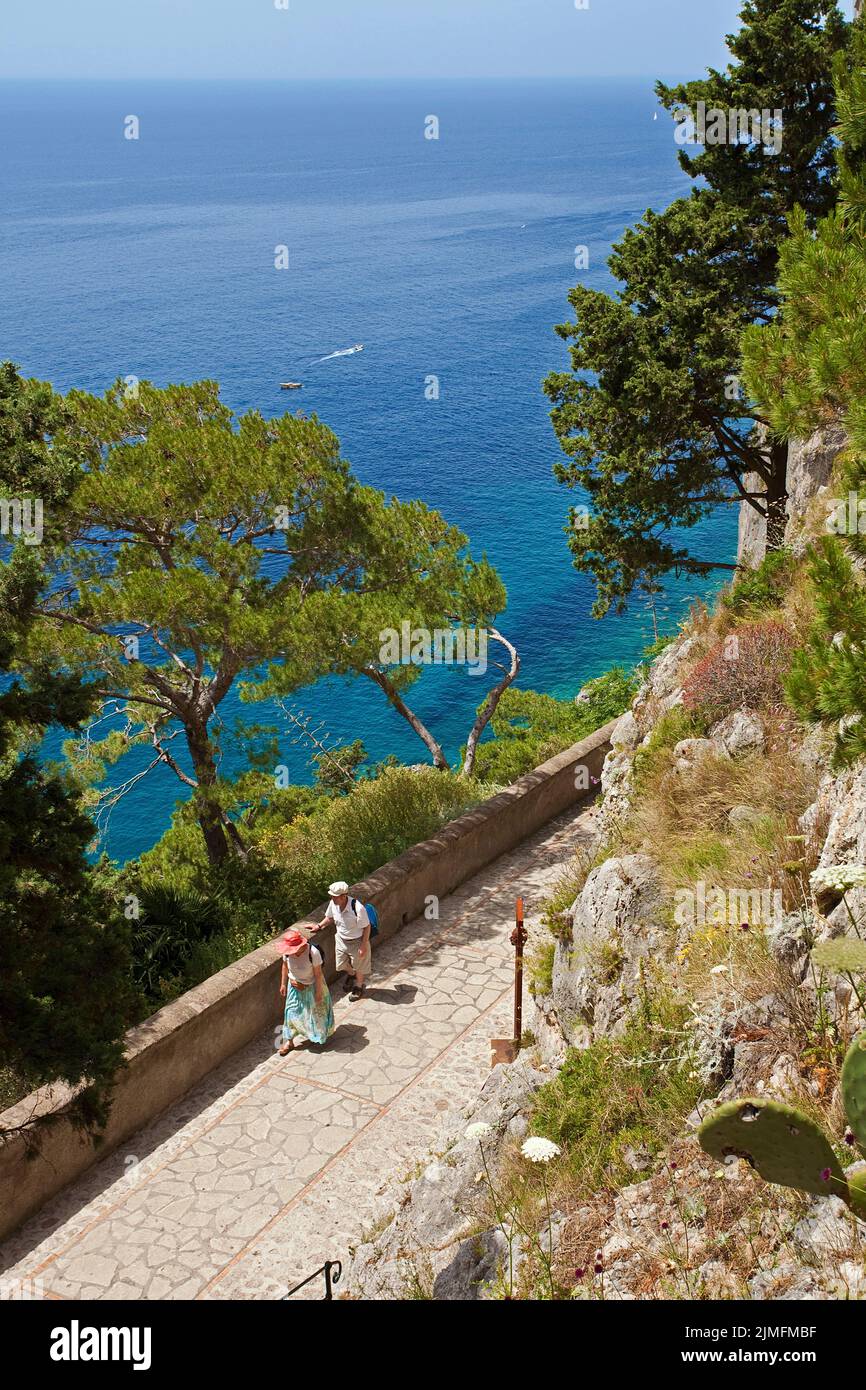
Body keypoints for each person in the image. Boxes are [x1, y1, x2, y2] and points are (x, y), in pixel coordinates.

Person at [311, 879, 371, 1000]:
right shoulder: (333, 904)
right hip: (341, 939)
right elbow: (330, 917)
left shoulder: (358, 908)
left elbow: (367, 926)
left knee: (359, 965)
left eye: (335, 896)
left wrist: (363, 945)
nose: (332, 898)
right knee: (340, 965)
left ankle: (358, 987)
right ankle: (351, 974)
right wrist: (318, 926)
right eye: (331, 896)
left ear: (344, 896)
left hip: (357, 940)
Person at [278, 929, 335, 1055]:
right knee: (290, 1013)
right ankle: (289, 1041)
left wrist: (318, 992)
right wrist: (283, 984)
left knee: (315, 1014)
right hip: (294, 988)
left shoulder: (313, 953)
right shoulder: (287, 954)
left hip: (312, 986)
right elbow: (285, 966)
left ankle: (318, 1036)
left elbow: (318, 974)